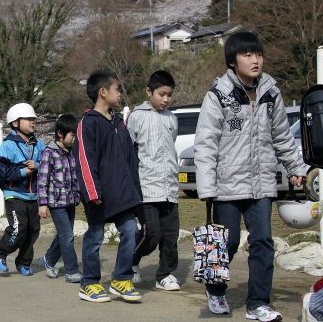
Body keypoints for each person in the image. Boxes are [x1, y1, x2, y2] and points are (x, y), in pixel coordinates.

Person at [194, 31, 306, 321]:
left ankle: (258, 303)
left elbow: (282, 135)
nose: (255, 60)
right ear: (232, 61)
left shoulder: (271, 92)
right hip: (227, 185)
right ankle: (216, 290)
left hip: (262, 183)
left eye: (258, 54)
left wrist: (296, 168)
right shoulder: (218, 95)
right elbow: (206, 143)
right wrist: (206, 186)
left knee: (263, 243)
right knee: (226, 242)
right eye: (247, 54)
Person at [73, 70, 142, 303]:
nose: (119, 93)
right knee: (95, 236)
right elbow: (84, 160)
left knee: (130, 230)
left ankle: (121, 278)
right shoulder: (87, 123)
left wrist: (135, 191)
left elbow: (130, 160)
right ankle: (89, 283)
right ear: (103, 92)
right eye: (116, 89)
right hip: (98, 194)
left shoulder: (119, 124)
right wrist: (92, 191)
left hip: (122, 192)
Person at [126, 70, 181, 291]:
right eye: (161, 94)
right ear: (149, 91)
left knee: (170, 236)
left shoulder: (172, 118)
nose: (166, 99)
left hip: (170, 187)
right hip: (146, 188)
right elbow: (129, 153)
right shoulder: (136, 117)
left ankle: (164, 275)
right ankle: (130, 262)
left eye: (169, 95)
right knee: (151, 234)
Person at [0, 103, 46, 276]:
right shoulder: (8, 145)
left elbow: (46, 165)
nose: (33, 122)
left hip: (33, 196)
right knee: (18, 228)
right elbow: (2, 171)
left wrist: (37, 166)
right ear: (15, 123)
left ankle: (23, 262)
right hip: (14, 194)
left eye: (34, 119)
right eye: (28, 119)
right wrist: (24, 171)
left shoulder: (40, 144)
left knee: (33, 230)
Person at [37, 114, 82, 283]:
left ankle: (48, 259)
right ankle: (71, 271)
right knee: (68, 236)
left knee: (64, 235)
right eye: (72, 135)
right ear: (60, 134)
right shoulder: (49, 153)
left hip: (70, 201)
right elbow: (42, 180)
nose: (74, 138)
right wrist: (42, 204)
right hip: (56, 203)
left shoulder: (72, 153)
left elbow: (76, 177)